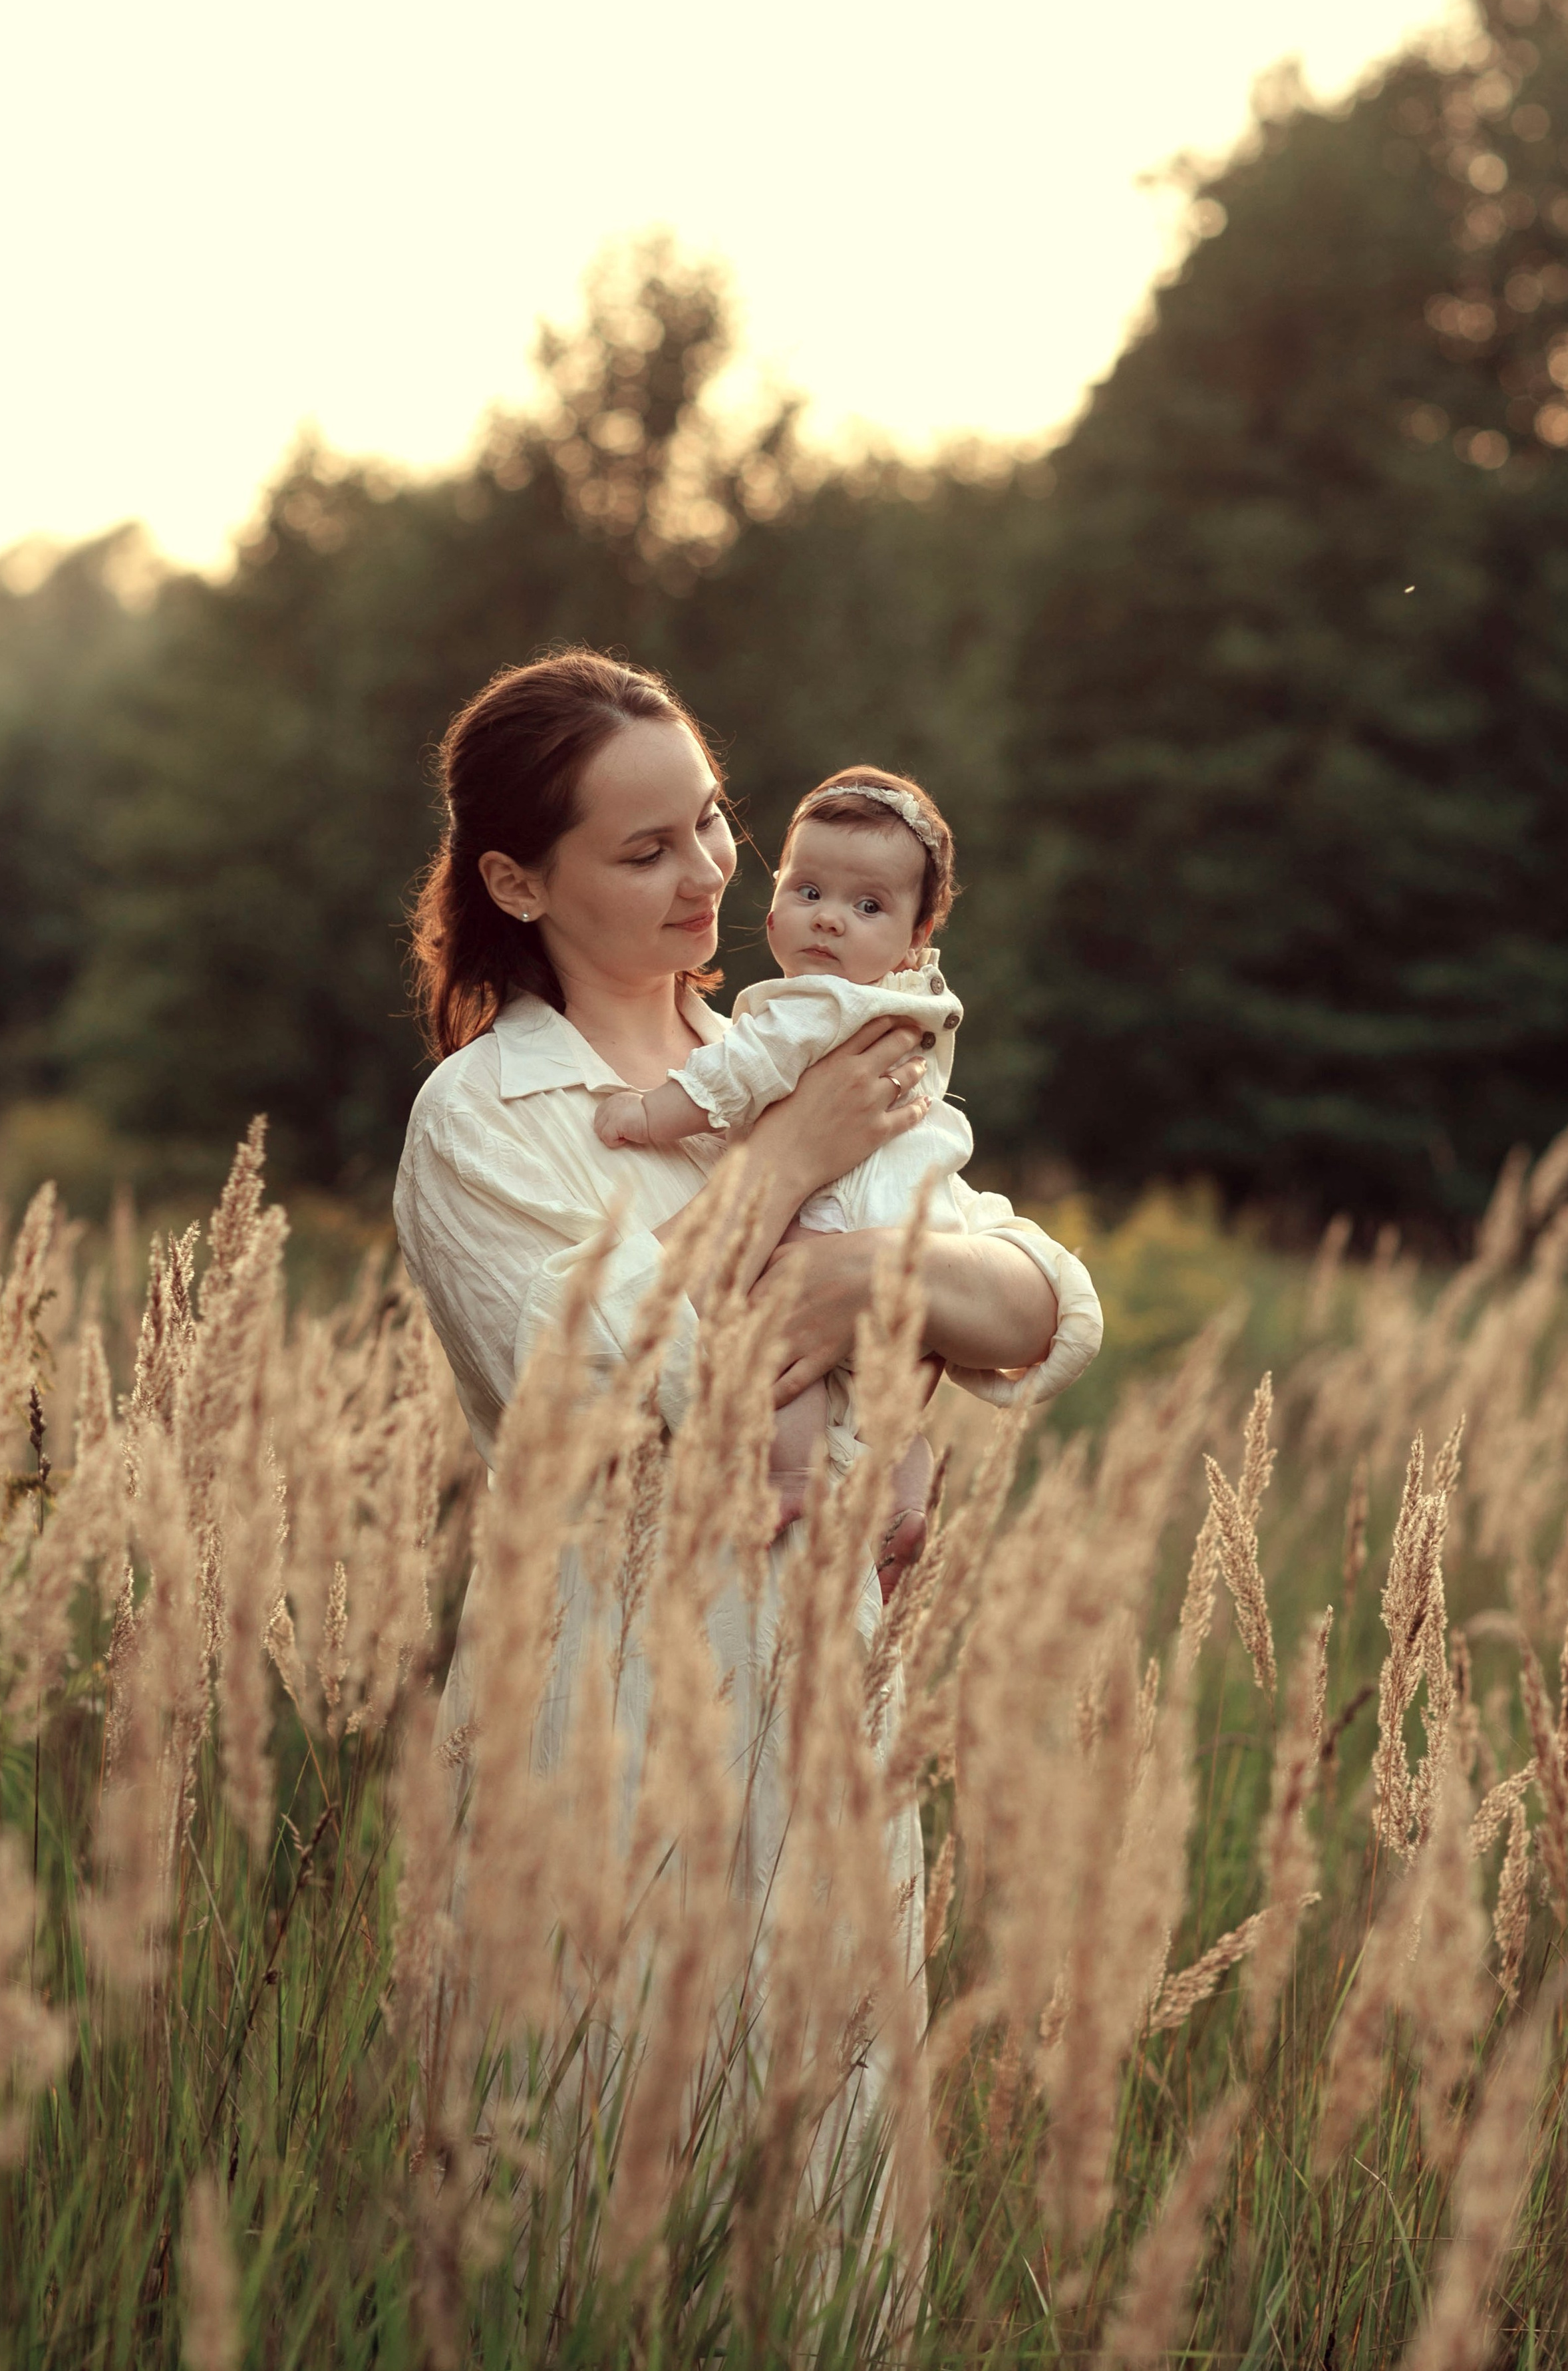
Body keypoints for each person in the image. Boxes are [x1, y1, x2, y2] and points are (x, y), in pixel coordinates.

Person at [391, 648, 1102, 2229]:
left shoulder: (816, 1035)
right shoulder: (493, 1118)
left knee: (823, 2196)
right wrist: (786, 1161)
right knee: (604, 2186)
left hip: (829, 1682)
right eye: (644, 849)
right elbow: (636, 1367)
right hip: (611, 1695)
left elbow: (1051, 1309)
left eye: (711, 822)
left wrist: (866, 1273)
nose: (707, 870)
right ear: (517, 877)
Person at [593, 765, 1004, 1591]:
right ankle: (903, 1480)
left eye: (867, 907)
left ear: (915, 937)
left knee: (778, 1338)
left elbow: (736, 1075)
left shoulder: (814, 1007)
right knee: (867, 1393)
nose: (829, 921)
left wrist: (650, 1115)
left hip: (841, 1212)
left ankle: (790, 1478)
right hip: (916, 1217)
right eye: (810, 889)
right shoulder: (896, 1005)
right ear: (775, 896)